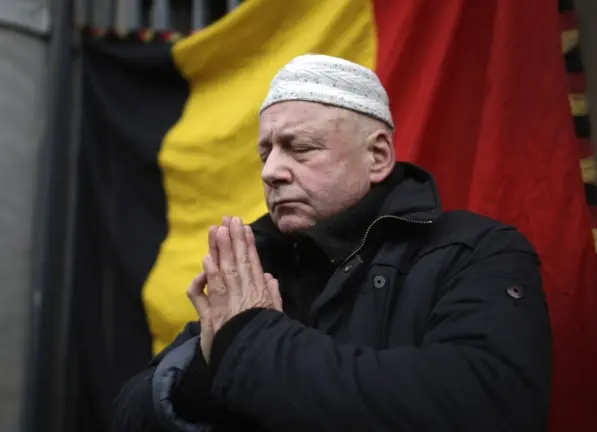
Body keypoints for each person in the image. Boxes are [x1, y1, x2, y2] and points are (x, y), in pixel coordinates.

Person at [113, 54, 552, 432]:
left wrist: (246, 343)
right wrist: (205, 375)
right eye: (266, 154)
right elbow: (129, 414)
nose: (271, 171)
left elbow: (489, 404)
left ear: (377, 156)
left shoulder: (476, 251)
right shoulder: (259, 272)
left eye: (298, 148)